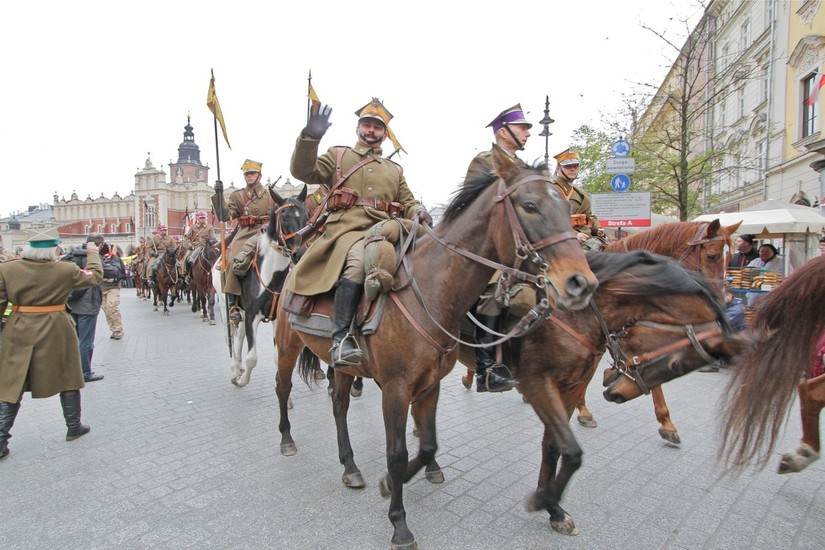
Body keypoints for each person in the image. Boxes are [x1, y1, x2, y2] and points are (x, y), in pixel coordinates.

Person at [287, 98, 431, 368]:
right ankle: (341, 338)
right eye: (367, 125)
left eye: (377, 127)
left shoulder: (395, 170)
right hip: (348, 230)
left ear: (385, 135)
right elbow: (302, 171)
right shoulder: (340, 155)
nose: (371, 131)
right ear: (358, 129)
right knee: (357, 263)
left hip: (388, 229)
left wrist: (418, 211)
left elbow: (408, 201)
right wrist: (310, 138)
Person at [0, 230, 104, 458]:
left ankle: (1, 439)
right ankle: (73, 426)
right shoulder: (65, 269)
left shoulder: (7, 269)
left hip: (19, 328)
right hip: (57, 327)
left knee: (12, 382)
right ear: (53, 249)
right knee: (68, 376)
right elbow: (95, 276)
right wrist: (93, 252)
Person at [462, 104, 533, 393]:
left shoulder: (528, 169)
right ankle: (486, 369)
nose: (528, 133)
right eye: (522, 128)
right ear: (503, 132)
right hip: (489, 244)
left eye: (527, 129)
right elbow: (472, 204)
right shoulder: (483, 161)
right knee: (494, 292)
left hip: (524, 245)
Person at [211, 160, 275, 323]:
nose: (249, 176)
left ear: (260, 175)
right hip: (245, 233)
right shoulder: (237, 196)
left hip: (267, 233)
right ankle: (234, 304)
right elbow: (225, 216)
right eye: (247, 174)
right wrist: (219, 196)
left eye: (252, 173)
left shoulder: (270, 196)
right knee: (233, 258)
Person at [63, 234, 112, 382]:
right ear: (99, 245)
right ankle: (85, 372)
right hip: (87, 304)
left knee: (75, 339)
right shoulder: (94, 258)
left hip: (72, 304)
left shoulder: (71, 256)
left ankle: (73, 370)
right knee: (86, 341)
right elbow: (112, 272)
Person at [549, 148, 604, 246]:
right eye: (567, 166)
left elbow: (588, 217)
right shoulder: (550, 189)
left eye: (575, 166)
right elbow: (549, 220)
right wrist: (574, 235)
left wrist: (597, 228)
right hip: (562, 241)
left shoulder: (580, 193)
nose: (572, 169)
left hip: (587, 237)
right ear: (558, 169)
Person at [698, 287, 746, 372]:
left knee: (712, 339)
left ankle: (714, 365)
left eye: (721, 297)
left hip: (733, 335)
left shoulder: (736, 310)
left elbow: (724, 324)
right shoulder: (729, 307)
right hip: (729, 333)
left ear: (729, 296)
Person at [100, 242, 126, 340]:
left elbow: (123, 274)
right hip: (101, 288)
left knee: (111, 307)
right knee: (106, 309)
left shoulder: (116, 259)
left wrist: (114, 279)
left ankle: (118, 329)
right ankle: (113, 329)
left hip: (113, 287)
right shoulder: (98, 259)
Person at [182, 211, 214, 282]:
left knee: (215, 257)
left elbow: (212, 238)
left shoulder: (209, 227)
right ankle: (187, 274)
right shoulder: (193, 227)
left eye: (203, 218)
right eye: (201, 218)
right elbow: (187, 238)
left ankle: (215, 273)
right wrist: (190, 245)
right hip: (195, 246)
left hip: (206, 246)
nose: (202, 219)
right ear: (198, 219)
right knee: (187, 258)